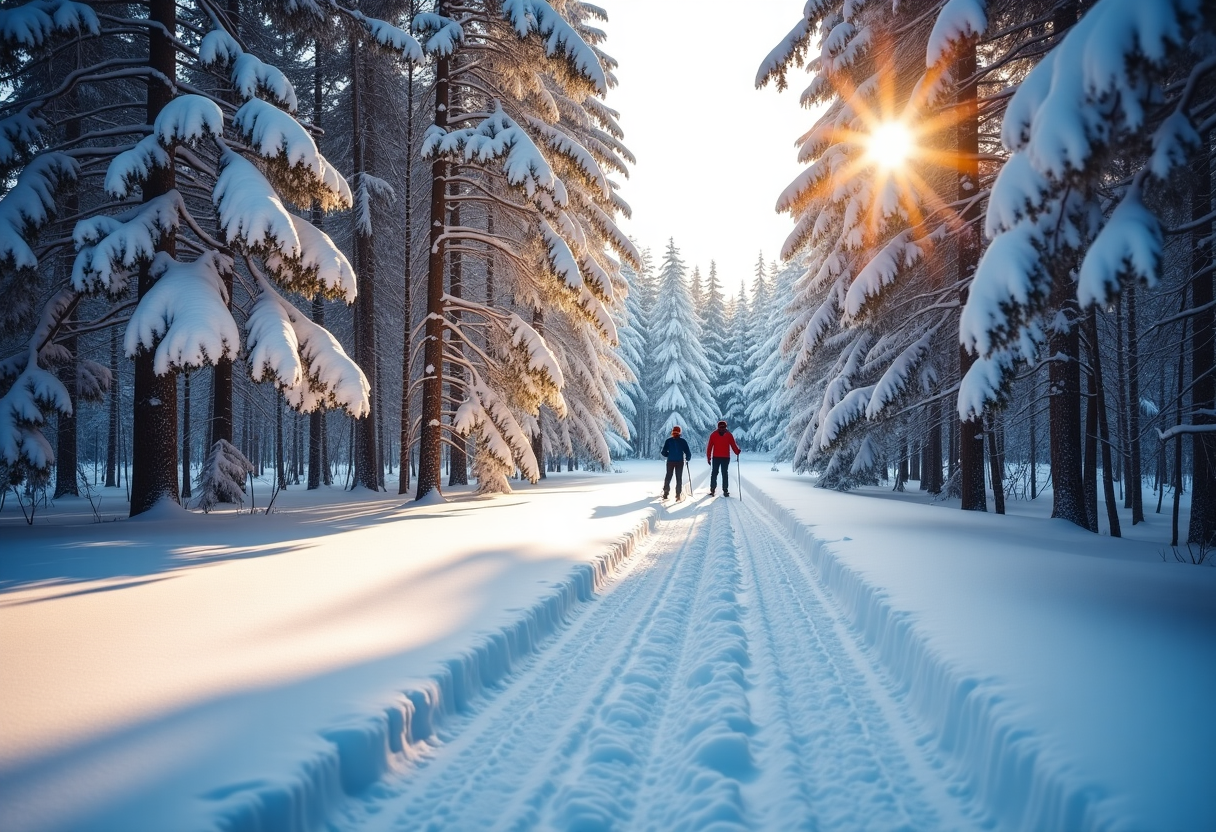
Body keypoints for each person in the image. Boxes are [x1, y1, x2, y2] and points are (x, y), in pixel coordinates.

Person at [706, 420, 741, 497]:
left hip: (716, 457)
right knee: (724, 473)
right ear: (726, 426)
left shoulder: (713, 435)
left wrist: (708, 457)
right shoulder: (729, 435)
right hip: (725, 457)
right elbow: (733, 445)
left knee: (714, 473)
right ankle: (725, 490)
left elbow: (709, 447)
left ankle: (712, 489)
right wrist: (737, 452)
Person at [660, 425, 692, 500]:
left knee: (668, 477)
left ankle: (665, 493)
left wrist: (668, 455)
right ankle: (678, 494)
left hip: (670, 461)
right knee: (678, 478)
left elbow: (663, 452)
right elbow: (687, 451)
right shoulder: (683, 441)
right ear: (680, 432)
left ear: (672, 432)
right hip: (679, 462)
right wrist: (688, 458)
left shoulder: (668, 441)